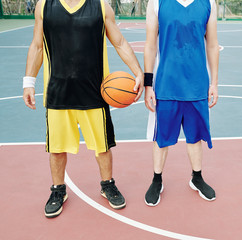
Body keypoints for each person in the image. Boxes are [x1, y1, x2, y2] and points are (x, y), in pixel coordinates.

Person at [23, 0, 144, 218]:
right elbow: (37, 45)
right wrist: (28, 82)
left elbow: (120, 42)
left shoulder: (100, 6)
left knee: (103, 147)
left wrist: (138, 72)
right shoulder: (44, 6)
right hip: (58, 92)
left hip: (94, 92)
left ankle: (107, 185)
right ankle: (58, 190)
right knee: (57, 149)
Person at [143, 0, 219, 206]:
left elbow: (212, 45)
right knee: (161, 137)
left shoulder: (209, 3)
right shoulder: (157, 3)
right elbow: (150, 46)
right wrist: (148, 85)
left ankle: (197, 177)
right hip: (166, 83)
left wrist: (214, 83)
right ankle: (157, 180)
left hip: (197, 84)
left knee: (195, 137)